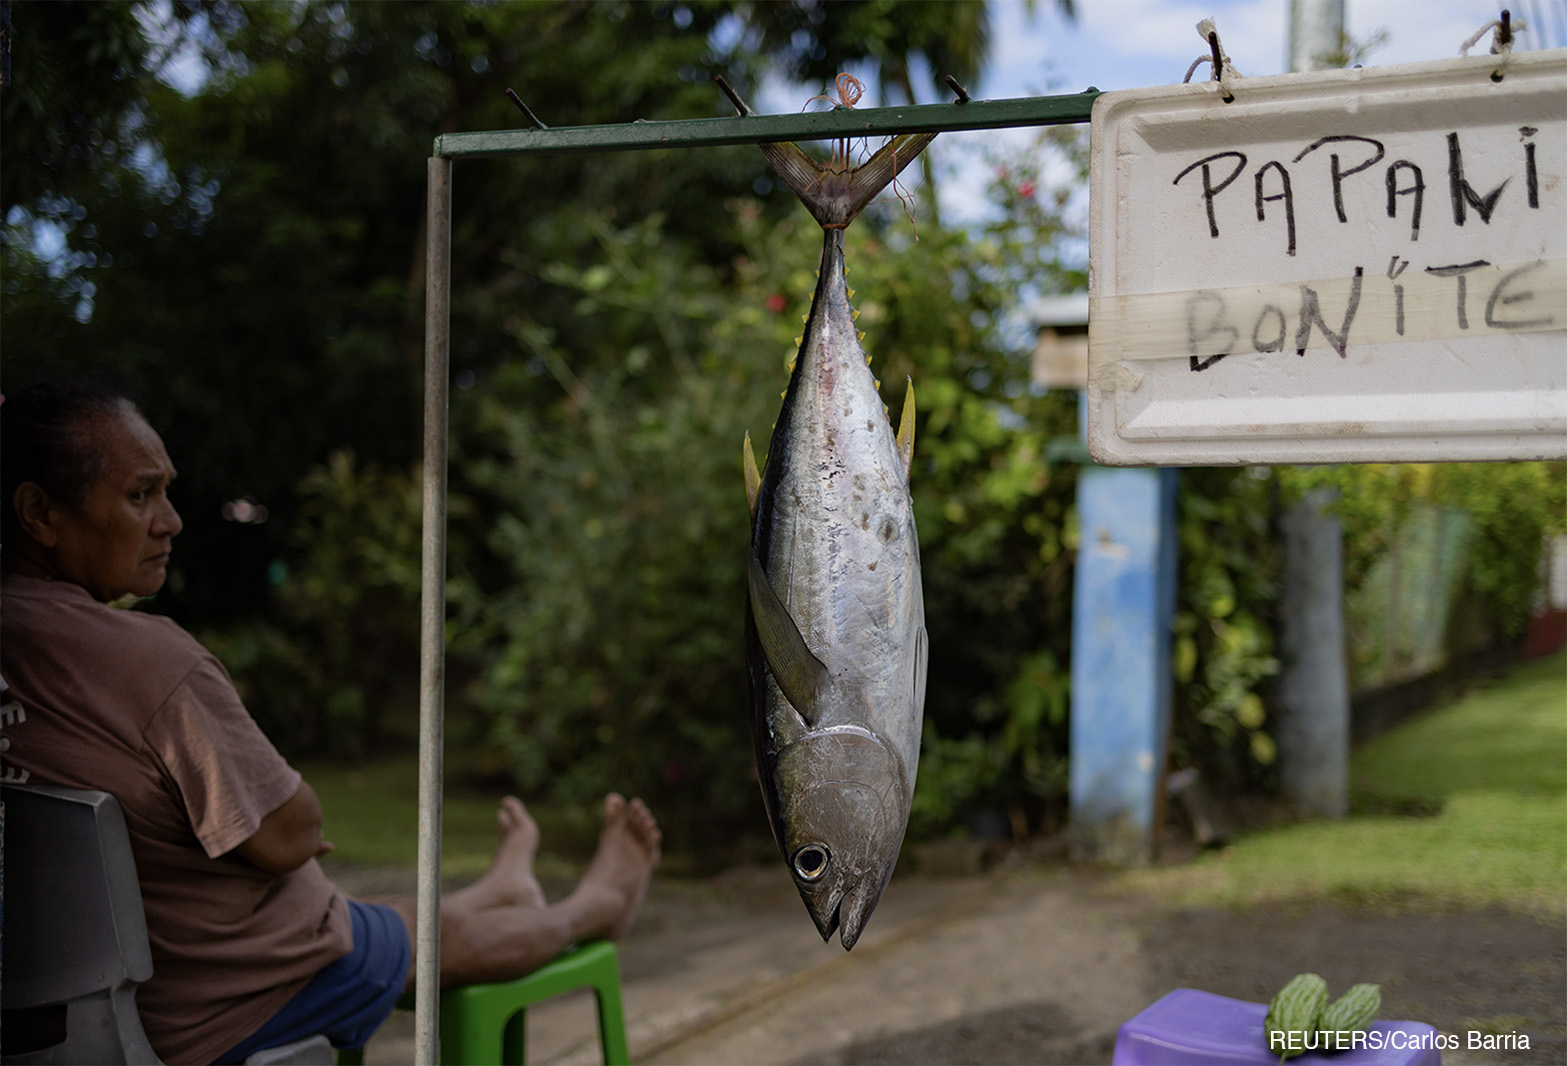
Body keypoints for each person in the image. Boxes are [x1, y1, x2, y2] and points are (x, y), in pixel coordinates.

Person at [0, 379, 662, 1065]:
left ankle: (499, 891)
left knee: (359, 914)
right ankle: (591, 910)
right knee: (397, 939)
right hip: (217, 1012)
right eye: (140, 496)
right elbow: (292, 834)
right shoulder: (147, 663)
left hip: (63, 1021)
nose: (170, 520)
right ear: (39, 513)